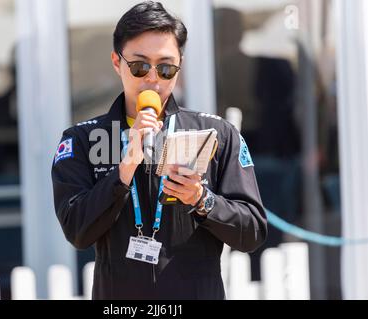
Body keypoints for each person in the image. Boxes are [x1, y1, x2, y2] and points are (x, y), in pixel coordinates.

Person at [52, 1, 267, 300]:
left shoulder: (216, 134)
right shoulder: (82, 140)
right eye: (139, 66)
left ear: (180, 66)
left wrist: (202, 200)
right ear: (117, 62)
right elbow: (77, 230)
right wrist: (123, 171)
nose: (152, 79)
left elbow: (252, 231)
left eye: (165, 68)